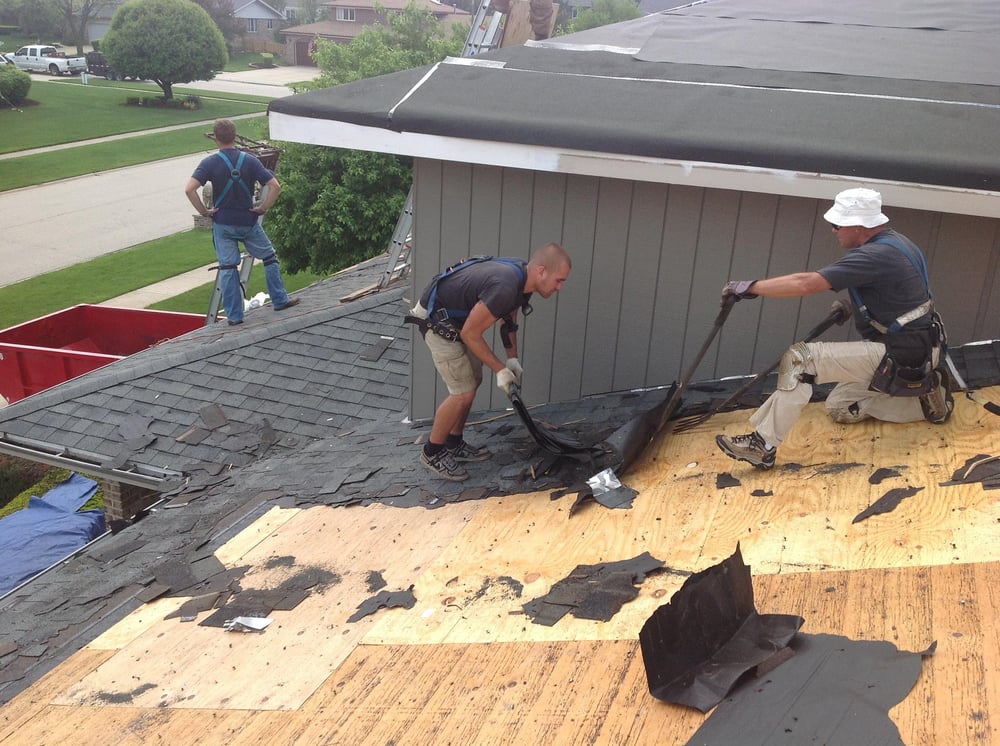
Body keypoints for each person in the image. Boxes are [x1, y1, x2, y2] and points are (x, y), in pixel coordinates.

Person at [715, 187, 952, 470]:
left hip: (901, 353)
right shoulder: (899, 243)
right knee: (840, 406)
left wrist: (749, 287)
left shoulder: (875, 255)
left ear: (858, 225)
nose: (833, 230)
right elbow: (899, 293)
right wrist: (856, 305)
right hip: (920, 348)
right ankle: (926, 400)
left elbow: (805, 284)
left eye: (838, 224)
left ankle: (761, 445)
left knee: (800, 359)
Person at [407, 242, 572, 481]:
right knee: (461, 391)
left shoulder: (522, 281)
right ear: (542, 271)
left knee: (473, 380)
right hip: (437, 321)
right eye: (559, 280)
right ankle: (432, 452)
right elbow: (470, 334)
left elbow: (508, 322)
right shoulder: (506, 286)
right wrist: (500, 370)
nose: (560, 287)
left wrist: (512, 359)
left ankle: (454, 443)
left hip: (458, 323)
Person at [184, 119, 299, 326]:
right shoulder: (250, 161)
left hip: (223, 223)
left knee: (228, 267)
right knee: (269, 257)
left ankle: (235, 316)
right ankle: (280, 299)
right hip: (248, 221)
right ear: (235, 136)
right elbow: (275, 186)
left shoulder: (209, 163)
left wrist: (205, 212)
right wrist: (262, 208)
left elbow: (189, 189)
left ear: (216, 138)